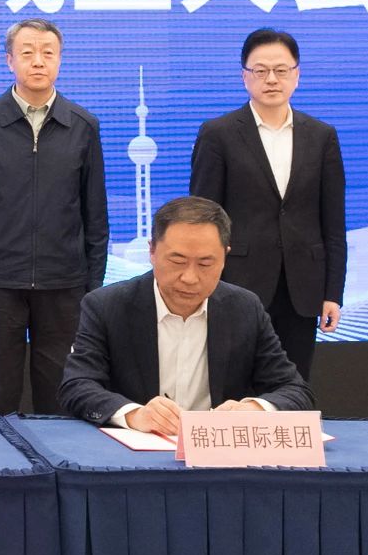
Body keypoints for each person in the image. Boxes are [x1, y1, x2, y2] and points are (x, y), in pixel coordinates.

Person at [0, 18, 108, 414]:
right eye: (27, 52)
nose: (38, 61)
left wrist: (94, 283)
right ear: (10, 60)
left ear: (60, 60)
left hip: (64, 281)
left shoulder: (83, 125)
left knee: (59, 394)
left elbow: (95, 213)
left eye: (48, 53)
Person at [58, 195, 308, 435]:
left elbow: (294, 390)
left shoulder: (245, 308)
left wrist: (253, 409)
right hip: (135, 452)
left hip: (217, 452)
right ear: (152, 251)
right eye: (177, 261)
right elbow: (77, 385)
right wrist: (135, 415)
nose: (190, 278)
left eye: (205, 264)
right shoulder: (106, 306)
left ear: (225, 258)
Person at [187, 27, 346, 380]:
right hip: (237, 283)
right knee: (236, 381)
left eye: (281, 70)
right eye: (260, 70)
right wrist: (206, 283)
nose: (271, 79)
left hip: (302, 287)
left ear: (297, 75)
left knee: (293, 383)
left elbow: (333, 222)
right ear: (244, 76)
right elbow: (202, 218)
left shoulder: (321, 136)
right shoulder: (218, 134)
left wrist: (333, 293)